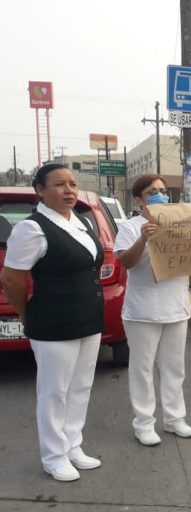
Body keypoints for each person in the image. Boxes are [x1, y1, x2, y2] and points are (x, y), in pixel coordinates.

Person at [0, 164, 104, 481]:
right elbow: (12, 279)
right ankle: (53, 455)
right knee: (54, 391)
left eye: (73, 184)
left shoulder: (82, 223)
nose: (69, 190)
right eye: (60, 184)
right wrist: (24, 314)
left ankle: (73, 445)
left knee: (80, 387)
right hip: (53, 321)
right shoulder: (32, 228)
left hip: (88, 317)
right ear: (40, 190)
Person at [115, 174, 191, 446]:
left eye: (163, 190)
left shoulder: (181, 221)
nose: (160, 195)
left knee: (174, 367)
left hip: (176, 308)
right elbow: (125, 262)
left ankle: (174, 419)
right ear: (139, 199)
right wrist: (142, 239)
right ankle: (144, 423)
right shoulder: (130, 226)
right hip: (142, 312)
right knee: (143, 369)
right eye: (152, 191)